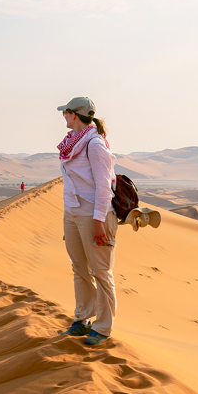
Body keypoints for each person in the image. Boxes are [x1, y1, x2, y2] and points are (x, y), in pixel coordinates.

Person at [57, 96, 117, 347]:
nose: (63, 117)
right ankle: (82, 319)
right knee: (78, 267)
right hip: (72, 211)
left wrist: (98, 221)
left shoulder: (94, 144)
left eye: (65, 113)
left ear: (74, 114)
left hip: (94, 212)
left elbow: (104, 186)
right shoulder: (72, 143)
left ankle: (103, 327)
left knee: (100, 272)